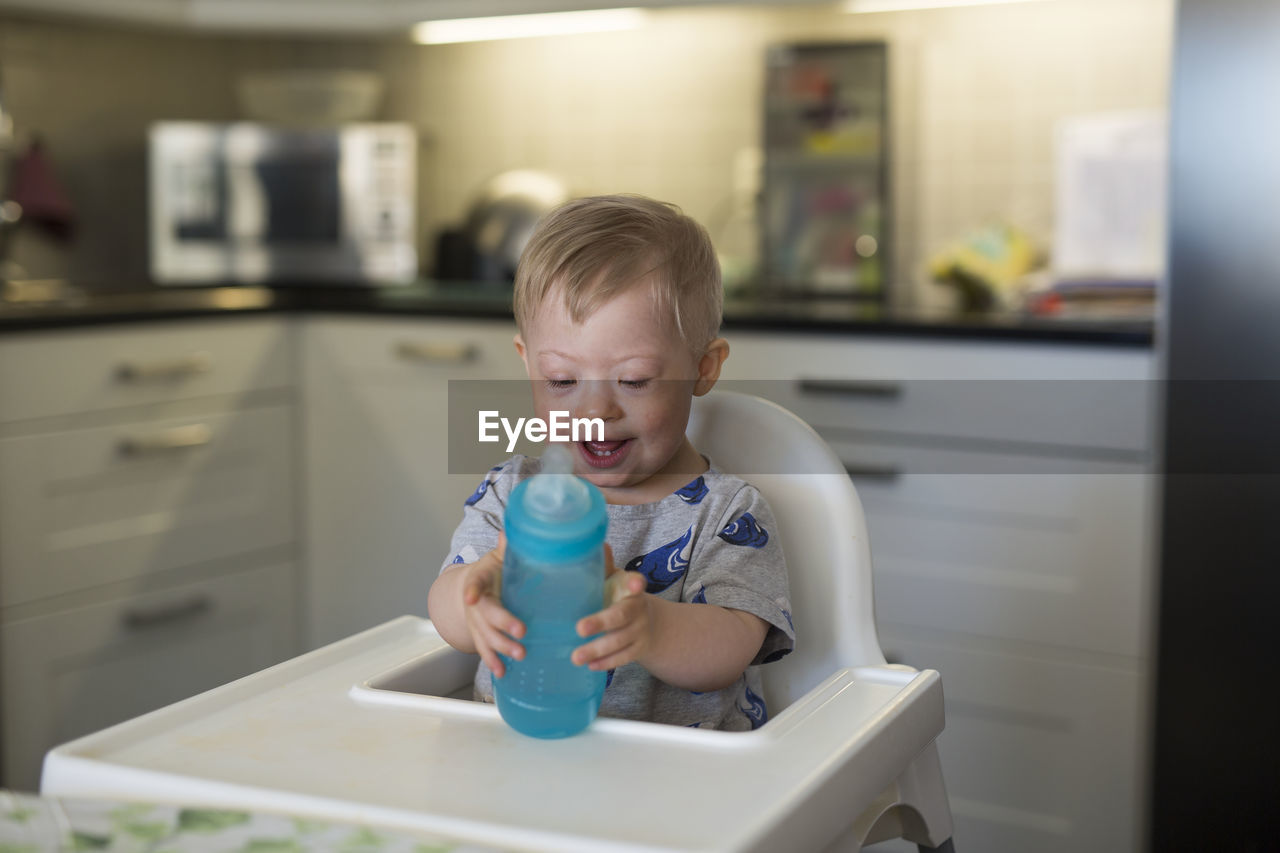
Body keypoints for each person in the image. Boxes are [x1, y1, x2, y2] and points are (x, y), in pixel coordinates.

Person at [427, 194, 793, 731]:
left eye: (634, 380)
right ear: (529, 365)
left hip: (675, 787)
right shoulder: (515, 494)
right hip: (523, 767)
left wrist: (647, 627)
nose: (596, 409)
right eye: (562, 381)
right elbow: (447, 606)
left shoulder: (727, 513)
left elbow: (731, 649)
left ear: (703, 368)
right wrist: (474, 600)